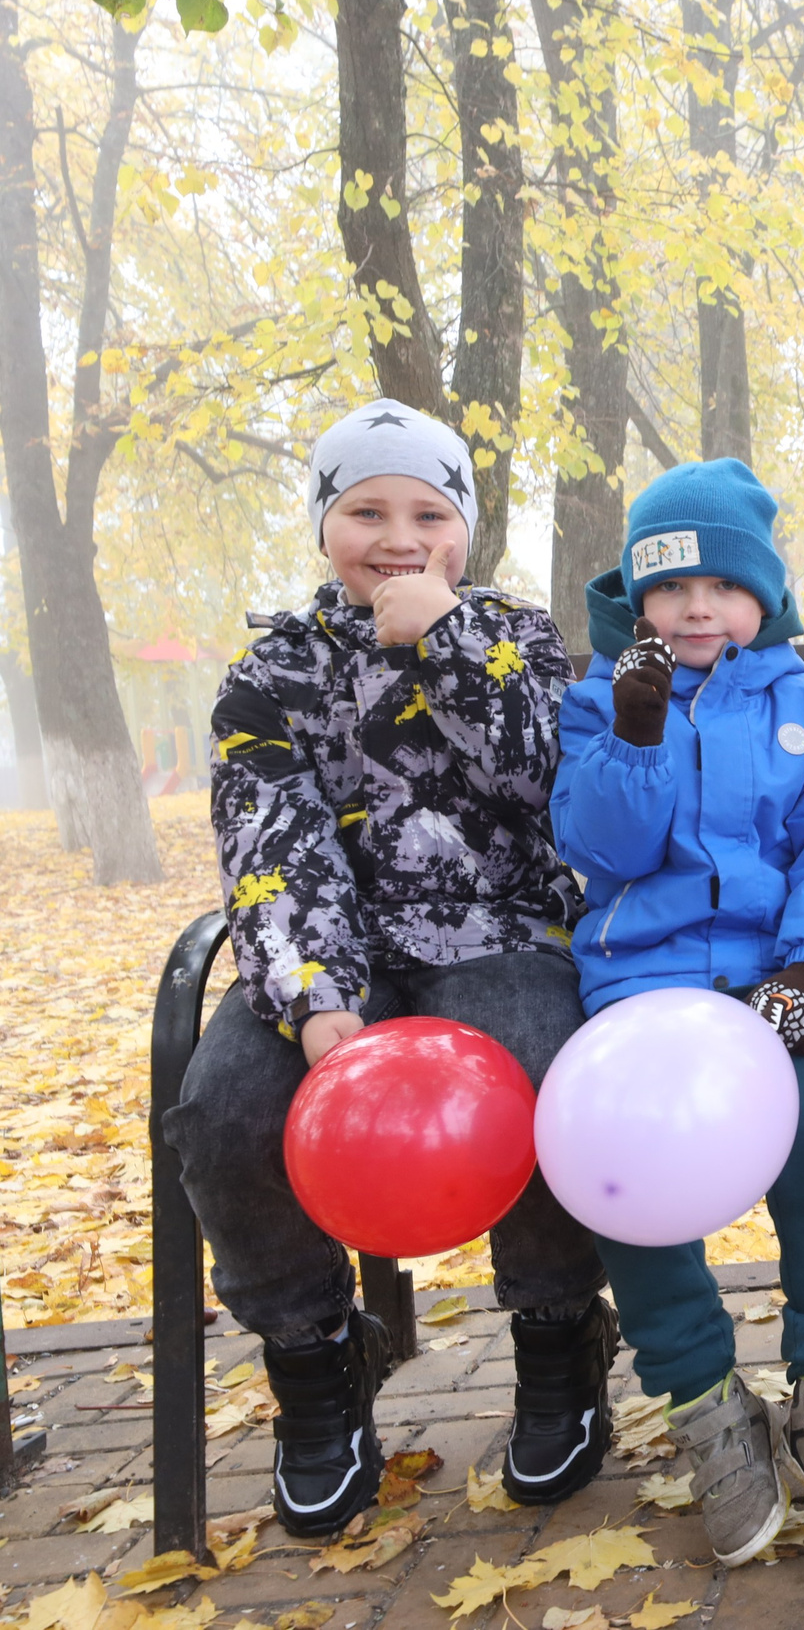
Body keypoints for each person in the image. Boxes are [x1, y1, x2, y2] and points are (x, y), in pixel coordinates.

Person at [171, 398, 612, 1537]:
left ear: (465, 527)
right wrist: (318, 1002)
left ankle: (559, 1334)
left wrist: (450, 641)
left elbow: (550, 786)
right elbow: (269, 836)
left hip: (497, 930)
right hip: (330, 951)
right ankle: (317, 1359)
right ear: (325, 526)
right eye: (366, 510)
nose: (398, 536)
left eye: (428, 510)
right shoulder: (273, 670)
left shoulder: (514, 635)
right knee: (224, 1110)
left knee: (541, 1068)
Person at [553, 459, 804, 1562]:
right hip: (639, 989)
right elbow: (601, 849)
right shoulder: (596, 701)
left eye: (722, 586)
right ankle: (703, 1397)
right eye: (671, 586)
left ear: (763, 598)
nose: (697, 607)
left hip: (775, 986)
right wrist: (636, 733)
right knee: (619, 1173)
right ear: (636, 600)